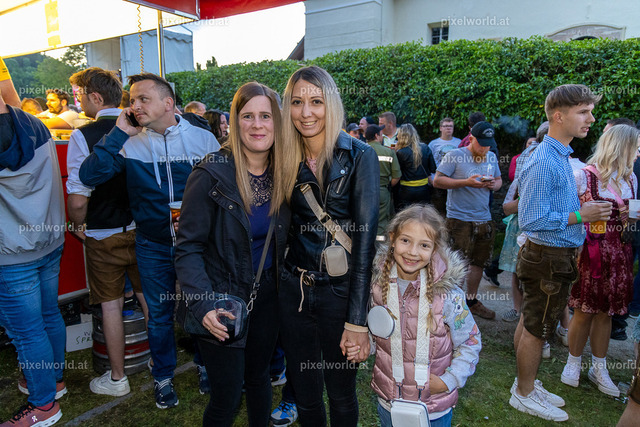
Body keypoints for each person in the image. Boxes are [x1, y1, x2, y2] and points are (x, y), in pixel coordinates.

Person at [79, 72, 219, 409]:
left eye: (143, 99)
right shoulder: (129, 140)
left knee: (201, 305)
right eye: (131, 100)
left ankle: (205, 365)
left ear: (168, 103)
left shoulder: (202, 138)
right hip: (152, 243)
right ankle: (163, 377)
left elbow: (224, 187)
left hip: (196, 244)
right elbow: (89, 175)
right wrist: (118, 133)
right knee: (158, 315)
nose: (135, 106)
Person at [175, 82, 291, 426]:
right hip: (222, 300)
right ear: (234, 121)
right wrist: (203, 304)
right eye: (248, 116)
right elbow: (188, 248)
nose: (257, 125)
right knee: (226, 397)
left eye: (266, 116)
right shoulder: (210, 173)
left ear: (278, 122)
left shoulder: (285, 173)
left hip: (267, 296)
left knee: (259, 378)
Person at [278, 65, 379, 426]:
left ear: (331, 104)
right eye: (297, 102)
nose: (306, 112)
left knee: (341, 394)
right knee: (306, 396)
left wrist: (357, 322)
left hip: (340, 291)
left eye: (316, 101)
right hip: (294, 291)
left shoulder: (359, 156)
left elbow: (365, 245)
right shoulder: (283, 156)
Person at [511, 84, 610, 422]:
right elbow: (531, 218)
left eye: (590, 112)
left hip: (550, 255)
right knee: (537, 329)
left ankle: (524, 384)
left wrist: (579, 209)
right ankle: (524, 393)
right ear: (558, 116)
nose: (591, 119)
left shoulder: (557, 154)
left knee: (531, 321)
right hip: (548, 256)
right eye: (583, 112)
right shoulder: (545, 160)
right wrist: (582, 215)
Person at [66, 67, 149, 397]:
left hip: (102, 233)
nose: (79, 102)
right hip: (143, 230)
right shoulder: (143, 129)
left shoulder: (82, 135)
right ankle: (160, 365)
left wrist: (77, 225)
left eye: (80, 96)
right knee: (148, 299)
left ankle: (117, 379)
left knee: (111, 306)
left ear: (96, 97)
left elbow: (78, 197)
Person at [369, 205, 481, 427]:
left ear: (435, 249)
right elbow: (376, 336)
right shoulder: (377, 287)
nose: (412, 252)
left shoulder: (448, 296)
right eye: (405, 240)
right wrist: (364, 345)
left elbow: (470, 341)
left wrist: (449, 380)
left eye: (424, 245)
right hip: (389, 402)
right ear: (392, 238)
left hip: (433, 407)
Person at [0, 89, 66, 426]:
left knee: (27, 333)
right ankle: (53, 381)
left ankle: (44, 406)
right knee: (48, 315)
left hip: (11, 252)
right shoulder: (33, 122)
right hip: (48, 240)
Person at [560, 124, 640, 397]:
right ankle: (572, 363)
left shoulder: (631, 179)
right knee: (584, 310)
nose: (637, 152)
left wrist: (631, 218)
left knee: (607, 312)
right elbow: (567, 213)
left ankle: (599, 368)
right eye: (635, 147)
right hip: (590, 251)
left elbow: (630, 219)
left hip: (619, 252)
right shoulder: (583, 176)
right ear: (621, 147)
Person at [433, 121, 502, 320]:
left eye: (488, 145)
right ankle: (451, 305)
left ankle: (471, 301)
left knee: (478, 263)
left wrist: (493, 185)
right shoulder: (454, 155)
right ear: (471, 138)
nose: (485, 148)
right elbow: (438, 180)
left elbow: (499, 180)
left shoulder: (491, 156)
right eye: (482, 144)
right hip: (459, 220)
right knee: (457, 263)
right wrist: (466, 182)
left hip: (484, 219)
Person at [365, 124, 401, 239]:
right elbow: (396, 176)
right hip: (382, 191)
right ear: (377, 135)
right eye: (381, 134)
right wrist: (386, 186)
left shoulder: (359, 150)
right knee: (382, 221)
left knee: (364, 219)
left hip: (363, 192)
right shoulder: (388, 152)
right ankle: (379, 245)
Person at [395, 123, 437, 210]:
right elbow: (433, 169)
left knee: (406, 214)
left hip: (406, 190)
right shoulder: (425, 148)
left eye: (398, 134)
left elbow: (397, 172)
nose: (397, 136)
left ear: (402, 136)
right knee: (423, 213)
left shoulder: (400, 152)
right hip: (424, 189)